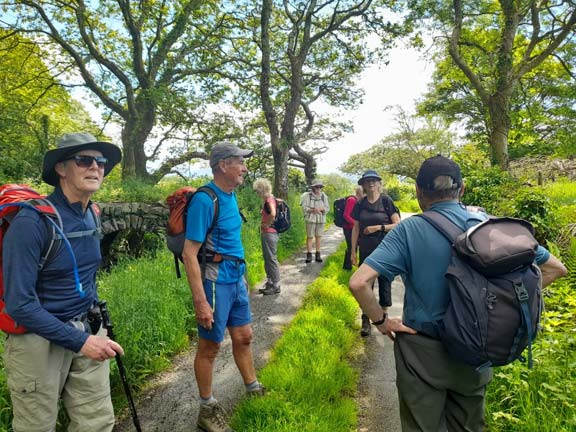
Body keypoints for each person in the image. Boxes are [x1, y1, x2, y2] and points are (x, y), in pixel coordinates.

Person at [349, 156, 567, 432]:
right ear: (462, 189)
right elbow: (554, 269)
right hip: (477, 346)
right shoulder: (488, 225)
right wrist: (503, 303)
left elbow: (359, 283)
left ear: (418, 191)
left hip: (422, 348)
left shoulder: (409, 230)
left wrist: (381, 321)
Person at [3, 132, 124, 432]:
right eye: (84, 160)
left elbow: (86, 276)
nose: (95, 167)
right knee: (37, 427)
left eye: (101, 161)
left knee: (97, 423)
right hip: (37, 340)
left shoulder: (92, 214)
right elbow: (19, 303)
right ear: (61, 168)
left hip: (88, 328)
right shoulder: (33, 223)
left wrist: (94, 328)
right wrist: (81, 341)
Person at [182, 142, 265, 432]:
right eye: (240, 162)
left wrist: (243, 276)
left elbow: (232, 241)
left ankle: (253, 388)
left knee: (244, 336)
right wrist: (201, 301)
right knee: (210, 346)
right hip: (215, 282)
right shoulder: (206, 199)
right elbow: (189, 253)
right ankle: (207, 410)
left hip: (236, 277)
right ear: (222, 166)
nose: (245, 168)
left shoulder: (229, 196)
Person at [350, 170, 401, 337]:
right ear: (363, 185)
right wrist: (352, 251)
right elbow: (356, 228)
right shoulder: (360, 204)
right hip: (366, 250)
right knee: (366, 285)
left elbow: (397, 224)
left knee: (385, 284)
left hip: (386, 250)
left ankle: (383, 319)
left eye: (374, 180)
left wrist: (378, 228)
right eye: (367, 181)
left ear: (379, 183)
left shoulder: (386, 201)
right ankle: (366, 320)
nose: (371, 183)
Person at [253, 178, 281, 295]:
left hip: (270, 232)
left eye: (257, 191)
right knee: (268, 258)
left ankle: (276, 284)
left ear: (261, 190)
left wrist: (266, 224)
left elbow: (273, 214)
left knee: (271, 258)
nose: (256, 194)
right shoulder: (270, 199)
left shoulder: (269, 200)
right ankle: (270, 282)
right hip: (270, 232)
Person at [300, 179, 330, 263]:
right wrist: (313, 210)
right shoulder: (307, 196)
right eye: (317, 186)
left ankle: (318, 254)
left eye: (320, 187)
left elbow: (327, 208)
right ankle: (309, 255)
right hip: (310, 219)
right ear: (313, 187)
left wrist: (323, 210)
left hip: (321, 219)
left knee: (318, 237)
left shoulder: (324, 196)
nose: (319, 188)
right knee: (310, 237)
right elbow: (304, 207)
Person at [342, 185, 364, 270]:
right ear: (360, 193)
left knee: (353, 247)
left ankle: (349, 266)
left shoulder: (357, 201)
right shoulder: (351, 200)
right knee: (351, 247)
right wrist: (356, 224)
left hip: (352, 228)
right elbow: (346, 215)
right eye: (364, 193)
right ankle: (347, 267)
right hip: (348, 228)